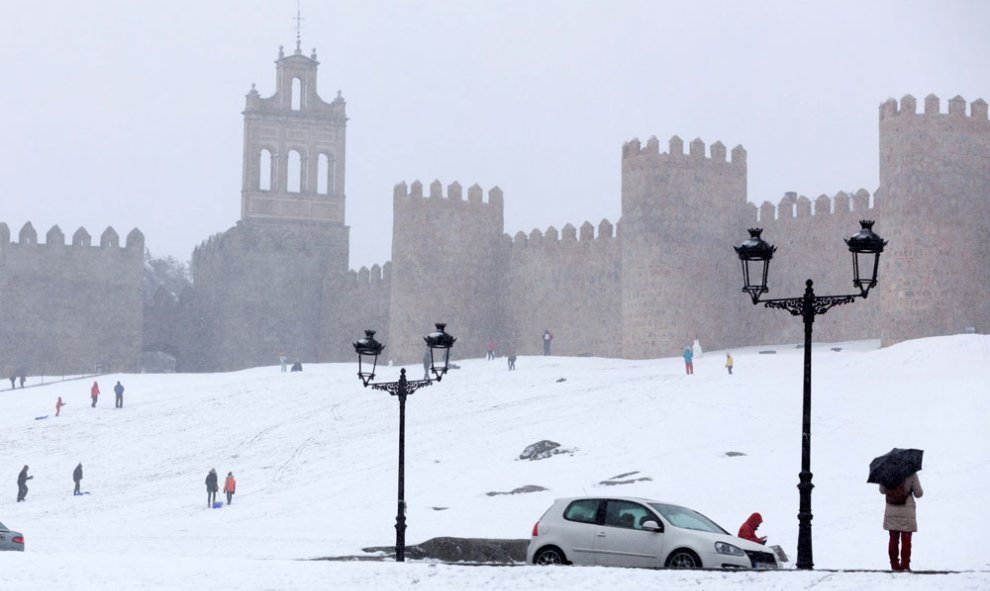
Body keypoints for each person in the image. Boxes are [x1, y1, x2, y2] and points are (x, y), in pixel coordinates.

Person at [880, 472, 924, 571]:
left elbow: (882, 490)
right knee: (906, 539)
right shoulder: (911, 473)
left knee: (893, 539)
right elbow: (919, 493)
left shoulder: (886, 472)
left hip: (891, 510)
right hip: (907, 511)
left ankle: (894, 565)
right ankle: (905, 566)